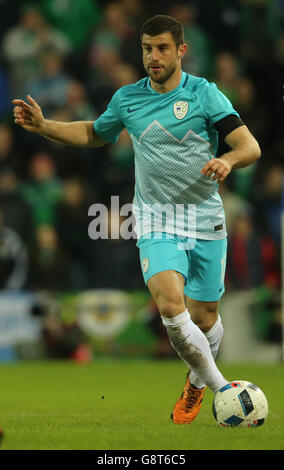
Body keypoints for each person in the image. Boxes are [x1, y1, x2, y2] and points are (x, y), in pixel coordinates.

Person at [13, 15, 261, 424]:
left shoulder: (205, 95)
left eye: (162, 48)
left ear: (181, 50)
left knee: (205, 318)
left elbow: (249, 145)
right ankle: (226, 391)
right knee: (169, 304)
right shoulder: (128, 99)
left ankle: (197, 382)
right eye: (147, 48)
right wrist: (45, 127)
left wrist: (227, 160)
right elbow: (94, 133)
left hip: (204, 218)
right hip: (154, 218)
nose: (153, 56)